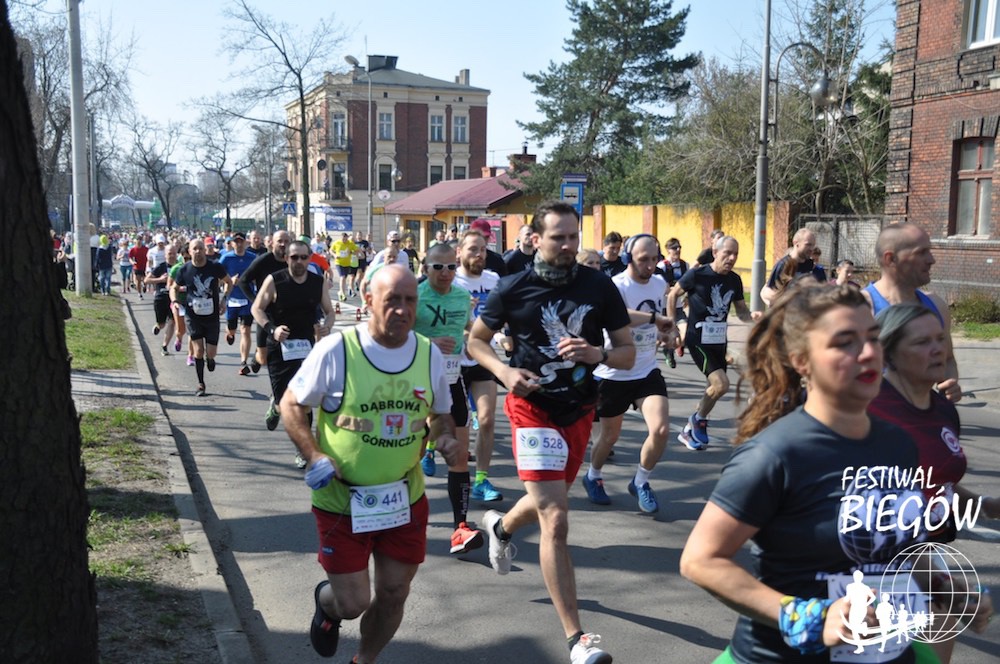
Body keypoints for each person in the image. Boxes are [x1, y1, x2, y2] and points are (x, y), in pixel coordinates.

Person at [679, 282, 936, 664]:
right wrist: (809, 617)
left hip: (885, 653)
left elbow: (897, 546)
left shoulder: (899, 446)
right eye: (845, 342)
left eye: (872, 337)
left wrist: (940, 583)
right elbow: (700, 561)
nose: (868, 353)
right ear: (802, 362)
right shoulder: (774, 454)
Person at [467, 200, 636, 664]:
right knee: (556, 518)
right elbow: (476, 340)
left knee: (550, 499)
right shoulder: (513, 287)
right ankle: (577, 639)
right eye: (558, 237)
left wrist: (597, 355)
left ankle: (500, 526)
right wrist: (504, 372)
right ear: (536, 239)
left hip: (578, 410)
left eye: (573, 237)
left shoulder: (598, 285)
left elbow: (626, 352)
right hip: (532, 409)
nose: (567, 245)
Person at [280, 264, 459, 662]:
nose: (402, 309)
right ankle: (327, 605)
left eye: (410, 300)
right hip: (342, 500)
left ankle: (364, 660)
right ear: (368, 300)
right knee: (353, 603)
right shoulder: (337, 350)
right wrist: (314, 454)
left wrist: (444, 436)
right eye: (392, 300)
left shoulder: (428, 354)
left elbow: (440, 414)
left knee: (394, 593)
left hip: (403, 497)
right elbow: (290, 404)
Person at [868, 304, 995, 663]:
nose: (938, 349)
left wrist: (991, 507)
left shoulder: (943, 409)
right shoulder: (870, 409)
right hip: (870, 571)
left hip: (924, 560)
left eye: (940, 339)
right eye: (922, 342)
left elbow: (939, 487)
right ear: (889, 351)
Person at [583, 235, 678, 513]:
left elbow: (659, 322)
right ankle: (593, 476)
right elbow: (620, 316)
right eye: (643, 259)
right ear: (628, 258)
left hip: (646, 370)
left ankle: (641, 481)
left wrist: (666, 334)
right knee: (609, 438)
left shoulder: (659, 283)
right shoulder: (616, 285)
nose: (650, 265)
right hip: (615, 373)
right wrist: (654, 319)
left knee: (661, 429)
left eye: (654, 259)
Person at [413, 242, 483, 554]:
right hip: (414, 385)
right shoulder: (414, 296)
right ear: (425, 268)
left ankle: (461, 527)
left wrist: (481, 336)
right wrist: (427, 343)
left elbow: (467, 326)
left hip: (452, 380)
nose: (445, 272)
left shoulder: (461, 296)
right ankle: (398, 516)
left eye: (451, 267)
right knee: (410, 455)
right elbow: (392, 336)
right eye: (438, 267)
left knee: (459, 455)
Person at [667, 235, 760, 449]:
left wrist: (754, 318)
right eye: (727, 253)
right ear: (715, 252)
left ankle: (689, 430)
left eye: (735, 254)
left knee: (714, 388)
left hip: (719, 341)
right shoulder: (697, 274)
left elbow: (741, 311)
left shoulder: (734, 280)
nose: (732, 258)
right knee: (721, 384)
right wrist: (672, 327)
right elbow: (673, 295)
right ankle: (697, 420)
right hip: (698, 340)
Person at [252, 240, 335, 465]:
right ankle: (276, 405)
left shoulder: (317, 282)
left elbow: (329, 311)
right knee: (284, 403)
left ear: (310, 259)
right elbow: (257, 308)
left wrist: (327, 326)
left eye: (303, 257)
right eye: (294, 257)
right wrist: (272, 329)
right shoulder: (275, 280)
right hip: (280, 347)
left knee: (303, 400)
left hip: (306, 348)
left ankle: (302, 449)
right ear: (286, 258)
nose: (299, 261)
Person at [863, 222, 961, 403]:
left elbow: (947, 360)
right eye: (921, 252)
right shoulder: (861, 307)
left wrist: (949, 383)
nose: (931, 260)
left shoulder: (936, 305)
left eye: (929, 251)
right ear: (891, 259)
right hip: (871, 416)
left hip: (920, 415)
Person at [453, 229, 505, 503]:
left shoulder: (493, 280)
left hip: (482, 356)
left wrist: (504, 335)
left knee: (486, 419)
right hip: (453, 360)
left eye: (483, 249)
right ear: (459, 252)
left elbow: (501, 315)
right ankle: (429, 449)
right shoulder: (450, 280)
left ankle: (481, 480)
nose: (479, 254)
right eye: (473, 249)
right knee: (451, 422)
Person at [170, 239, 233, 397]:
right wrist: (175, 301)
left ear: (205, 250)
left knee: (211, 353)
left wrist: (224, 299)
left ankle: (210, 359)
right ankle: (201, 384)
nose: (198, 251)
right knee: (198, 351)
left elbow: (229, 282)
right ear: (189, 252)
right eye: (195, 249)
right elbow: (174, 288)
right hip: (193, 316)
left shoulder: (215, 267)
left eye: (200, 248)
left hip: (212, 316)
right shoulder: (184, 269)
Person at [237, 230, 291, 374]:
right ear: (272, 243)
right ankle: (258, 356)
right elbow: (243, 281)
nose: (283, 244)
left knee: (287, 354)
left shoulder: (293, 261)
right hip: (265, 312)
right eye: (280, 241)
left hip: (287, 312)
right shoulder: (263, 261)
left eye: (286, 241)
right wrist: (256, 301)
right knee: (263, 358)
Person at [219, 232, 257, 375]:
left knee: (246, 330)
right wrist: (229, 281)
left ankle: (243, 362)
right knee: (232, 330)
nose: (239, 244)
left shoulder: (252, 258)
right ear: (232, 243)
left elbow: (258, 277)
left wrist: (250, 281)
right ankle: (229, 333)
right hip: (232, 299)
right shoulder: (226, 258)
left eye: (241, 241)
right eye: (236, 242)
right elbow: (218, 277)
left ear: (246, 243)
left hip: (247, 299)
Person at [759, 228, 826, 306]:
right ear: (796, 243)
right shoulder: (783, 265)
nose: (811, 249)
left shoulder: (813, 267)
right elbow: (768, 292)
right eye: (808, 245)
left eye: (813, 245)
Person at [659, 238, 688, 369]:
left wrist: (686, 296)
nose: (678, 250)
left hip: (679, 307)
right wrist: (675, 291)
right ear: (668, 250)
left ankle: (678, 345)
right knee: (667, 335)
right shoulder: (662, 266)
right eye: (674, 248)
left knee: (686, 332)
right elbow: (663, 288)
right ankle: (668, 353)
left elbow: (689, 284)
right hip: (664, 307)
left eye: (679, 247)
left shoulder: (685, 265)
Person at [146, 243, 178, 357]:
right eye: (170, 253)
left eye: (174, 253)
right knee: (162, 324)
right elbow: (146, 280)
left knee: (172, 322)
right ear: (165, 255)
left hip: (174, 299)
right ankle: (158, 326)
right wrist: (160, 279)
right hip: (161, 298)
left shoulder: (179, 267)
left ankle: (164, 346)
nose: (172, 256)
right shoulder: (160, 267)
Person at [331, 231, 358, 301]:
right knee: (342, 277)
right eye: (343, 239)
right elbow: (331, 250)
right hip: (338, 262)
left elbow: (357, 250)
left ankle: (340, 292)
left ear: (347, 238)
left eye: (345, 239)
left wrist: (351, 252)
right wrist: (334, 255)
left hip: (347, 263)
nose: (344, 241)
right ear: (341, 238)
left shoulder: (350, 243)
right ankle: (343, 294)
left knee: (344, 278)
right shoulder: (337, 243)